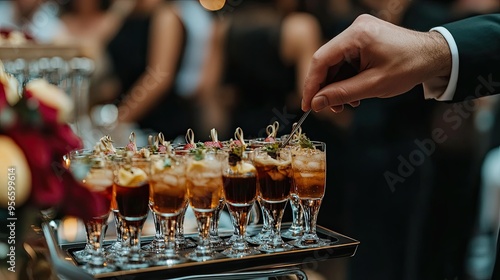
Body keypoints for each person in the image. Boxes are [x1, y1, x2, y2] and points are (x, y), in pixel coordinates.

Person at [301, 13, 500, 279]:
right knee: (363, 247)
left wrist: (431, 51)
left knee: (405, 250)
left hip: (408, 156)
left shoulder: (426, 13)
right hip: (362, 156)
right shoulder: (347, 22)